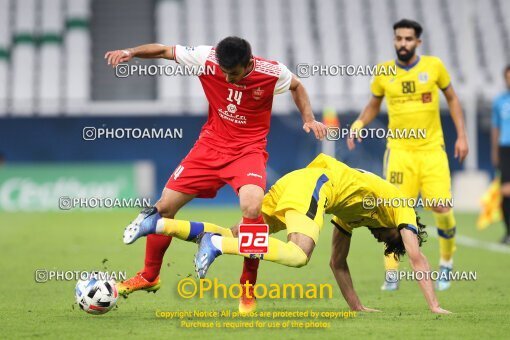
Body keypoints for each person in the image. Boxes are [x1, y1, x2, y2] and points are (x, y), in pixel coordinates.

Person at [104, 37, 327, 313]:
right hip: (209, 147)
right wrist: (129, 50)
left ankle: (248, 287)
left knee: (253, 206)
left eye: (232, 73)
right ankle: (150, 276)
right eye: (223, 71)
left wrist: (308, 118)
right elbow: (164, 50)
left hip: (248, 151)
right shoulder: (206, 57)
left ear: (248, 64)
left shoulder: (271, 72)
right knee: (162, 208)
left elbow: (296, 85)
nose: (226, 77)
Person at [124, 153, 450, 314]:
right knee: (298, 256)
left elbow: (338, 263)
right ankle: (216, 244)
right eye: (395, 240)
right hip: (314, 186)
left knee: (238, 234)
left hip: (296, 182)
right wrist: (434, 306)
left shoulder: (359, 215)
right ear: (403, 228)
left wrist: (357, 308)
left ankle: (160, 224)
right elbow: (418, 258)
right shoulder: (400, 205)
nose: (389, 242)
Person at [347, 19, 469, 291]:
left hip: (431, 151)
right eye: (398, 38)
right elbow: (372, 105)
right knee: (395, 213)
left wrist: (461, 135)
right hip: (400, 152)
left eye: (408, 39)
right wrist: (358, 124)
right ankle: (392, 272)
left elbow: (452, 98)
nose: (402, 43)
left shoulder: (434, 66)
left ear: (418, 42)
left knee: (441, 207)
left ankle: (446, 263)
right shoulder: (383, 72)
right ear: (394, 40)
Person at [491, 65, 510, 245]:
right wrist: (495, 152)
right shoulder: (499, 101)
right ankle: (508, 231)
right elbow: (495, 128)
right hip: (505, 149)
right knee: (505, 192)